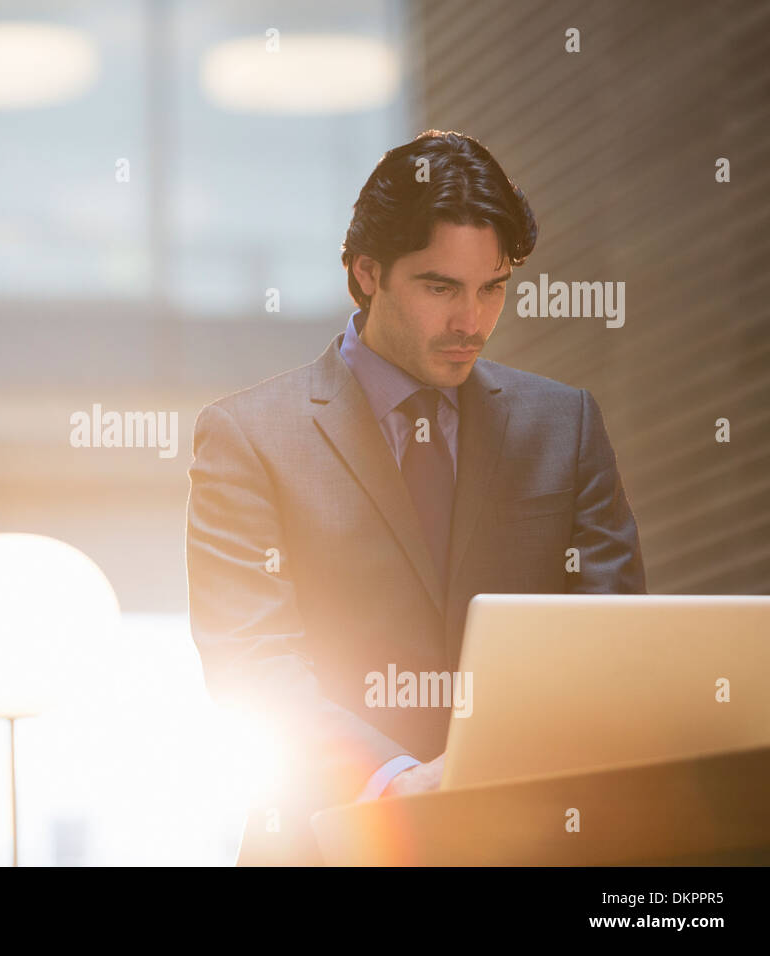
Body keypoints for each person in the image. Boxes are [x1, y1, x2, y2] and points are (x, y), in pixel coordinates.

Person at [184, 130, 647, 866]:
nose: (472, 322)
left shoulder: (567, 424)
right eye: (441, 288)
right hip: (327, 842)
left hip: (534, 845)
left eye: (492, 288)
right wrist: (395, 782)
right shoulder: (248, 437)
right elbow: (253, 663)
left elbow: (612, 643)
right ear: (367, 272)